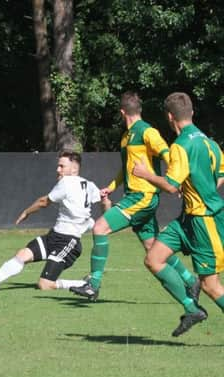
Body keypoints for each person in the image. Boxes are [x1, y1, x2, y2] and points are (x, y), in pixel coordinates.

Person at [69, 91, 198, 302]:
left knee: (100, 228)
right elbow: (127, 169)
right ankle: (191, 281)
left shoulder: (148, 132)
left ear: (122, 112)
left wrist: (177, 181)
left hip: (142, 197)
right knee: (153, 247)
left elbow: (168, 154)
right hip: (138, 197)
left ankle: (94, 283)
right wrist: (111, 187)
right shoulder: (126, 138)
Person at [132, 92, 224, 336]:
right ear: (191, 112)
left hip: (205, 221)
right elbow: (221, 174)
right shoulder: (210, 143)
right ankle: (192, 309)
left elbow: (171, 186)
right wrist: (196, 189)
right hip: (188, 219)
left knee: (210, 285)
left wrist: (145, 174)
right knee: (153, 259)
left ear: (169, 117)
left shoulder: (181, 146)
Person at [0, 150, 106, 292]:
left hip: (68, 242)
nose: (57, 170)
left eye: (62, 166)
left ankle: (84, 284)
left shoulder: (67, 182)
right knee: (22, 254)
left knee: (44, 285)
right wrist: (106, 218)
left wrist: (26, 212)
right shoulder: (90, 184)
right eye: (58, 166)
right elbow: (104, 200)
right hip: (53, 236)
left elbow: (44, 201)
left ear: (74, 169)